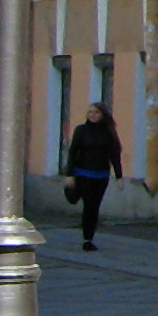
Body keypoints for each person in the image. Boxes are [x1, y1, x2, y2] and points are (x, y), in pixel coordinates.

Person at [64, 102, 123, 251]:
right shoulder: (81, 130)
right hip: (83, 173)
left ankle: (88, 239)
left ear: (103, 115)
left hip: (101, 175)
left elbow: (115, 156)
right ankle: (86, 237)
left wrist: (119, 176)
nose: (93, 115)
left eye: (96, 112)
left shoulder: (109, 133)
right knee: (87, 204)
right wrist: (69, 174)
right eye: (90, 112)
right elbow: (73, 152)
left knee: (94, 207)